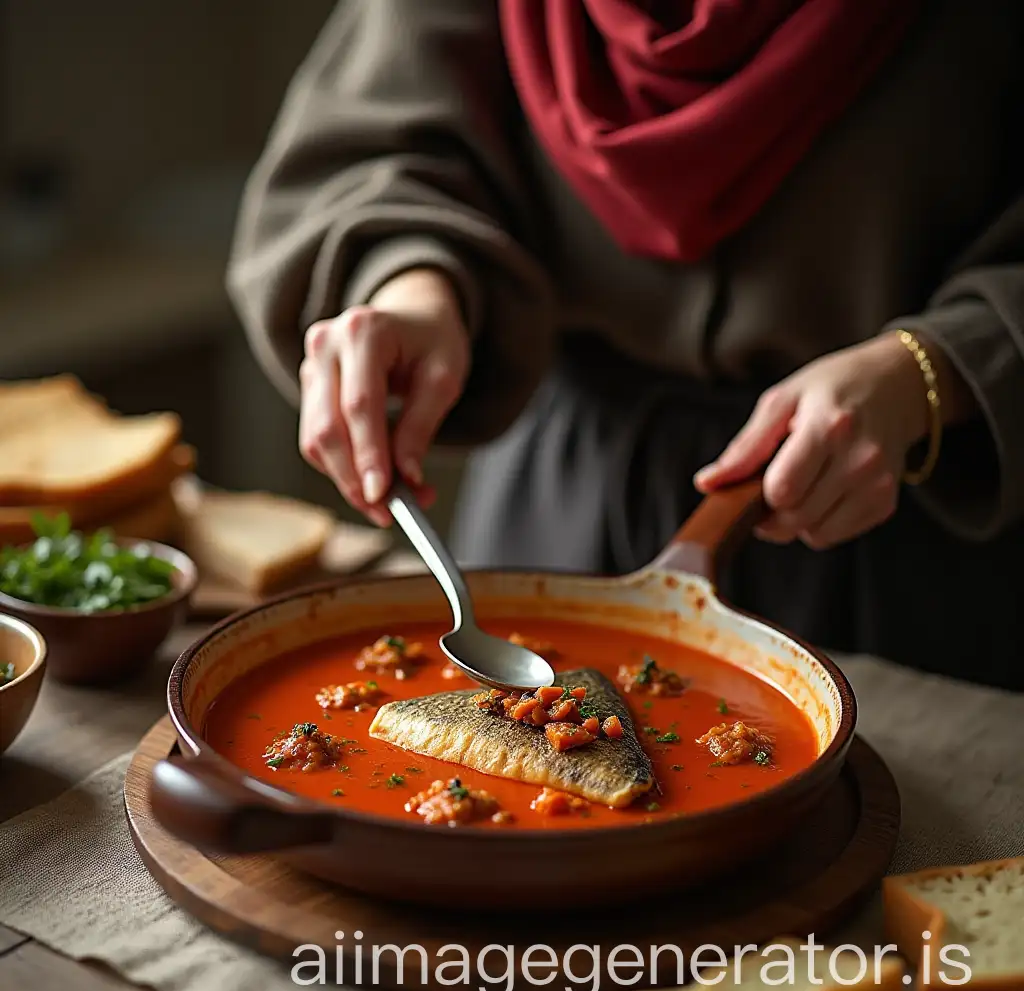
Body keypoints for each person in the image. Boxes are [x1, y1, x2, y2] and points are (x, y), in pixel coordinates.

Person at [227, 0, 1024, 690]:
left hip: (908, 528)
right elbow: (373, 146)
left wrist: (934, 368)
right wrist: (410, 280)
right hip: (552, 498)